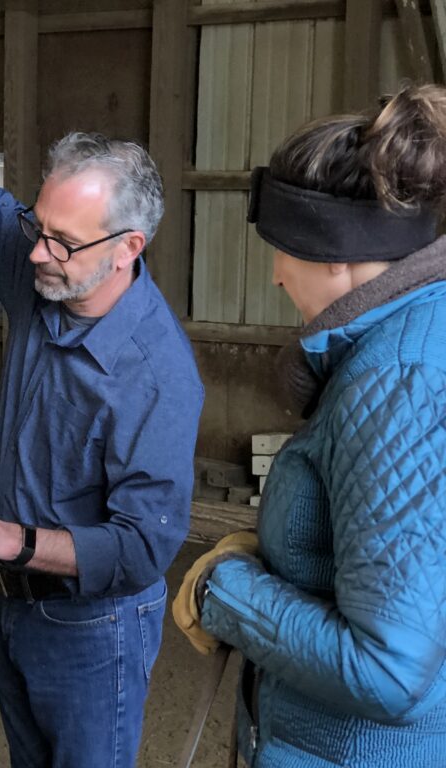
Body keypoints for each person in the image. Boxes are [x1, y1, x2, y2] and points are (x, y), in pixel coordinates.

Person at [0, 134, 204, 768]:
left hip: (95, 629)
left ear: (128, 248)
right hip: (13, 607)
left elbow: (144, 546)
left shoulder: (155, 375)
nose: (38, 250)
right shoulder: (40, 271)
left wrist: (10, 539)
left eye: (63, 241)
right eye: (39, 228)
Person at [173, 84, 446, 767]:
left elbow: (389, 671)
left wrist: (224, 591)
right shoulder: (420, 333)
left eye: (284, 249)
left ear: (334, 254)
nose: (274, 274)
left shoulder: (395, 379)